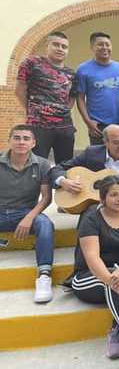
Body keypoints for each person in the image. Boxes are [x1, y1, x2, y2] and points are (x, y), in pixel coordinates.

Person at [71, 176, 119, 368]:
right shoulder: (91, 219)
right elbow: (92, 258)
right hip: (88, 278)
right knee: (113, 284)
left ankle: (116, 329)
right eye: (114, 195)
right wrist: (111, 278)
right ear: (103, 198)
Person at [50, 125, 119, 230]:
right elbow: (57, 169)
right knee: (90, 212)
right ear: (106, 142)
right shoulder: (91, 153)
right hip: (96, 205)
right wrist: (63, 181)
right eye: (116, 142)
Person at [0, 124, 54, 303]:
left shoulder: (43, 164)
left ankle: (44, 275)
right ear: (9, 141)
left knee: (45, 224)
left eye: (25, 138)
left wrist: (29, 217)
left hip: (25, 212)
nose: (21, 142)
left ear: (33, 143)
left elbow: (46, 198)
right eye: (16, 138)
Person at [15, 31, 77, 163]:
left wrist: (65, 110)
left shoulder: (71, 73)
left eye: (64, 47)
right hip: (38, 125)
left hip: (65, 126)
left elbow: (72, 96)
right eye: (56, 45)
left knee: (65, 164)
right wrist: (32, 110)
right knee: (37, 164)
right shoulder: (31, 63)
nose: (60, 49)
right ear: (47, 45)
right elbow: (20, 89)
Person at [76, 32, 119, 145]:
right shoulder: (83, 70)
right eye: (100, 44)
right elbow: (80, 98)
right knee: (98, 161)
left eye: (108, 44)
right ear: (92, 47)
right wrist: (88, 122)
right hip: (98, 126)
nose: (105, 47)